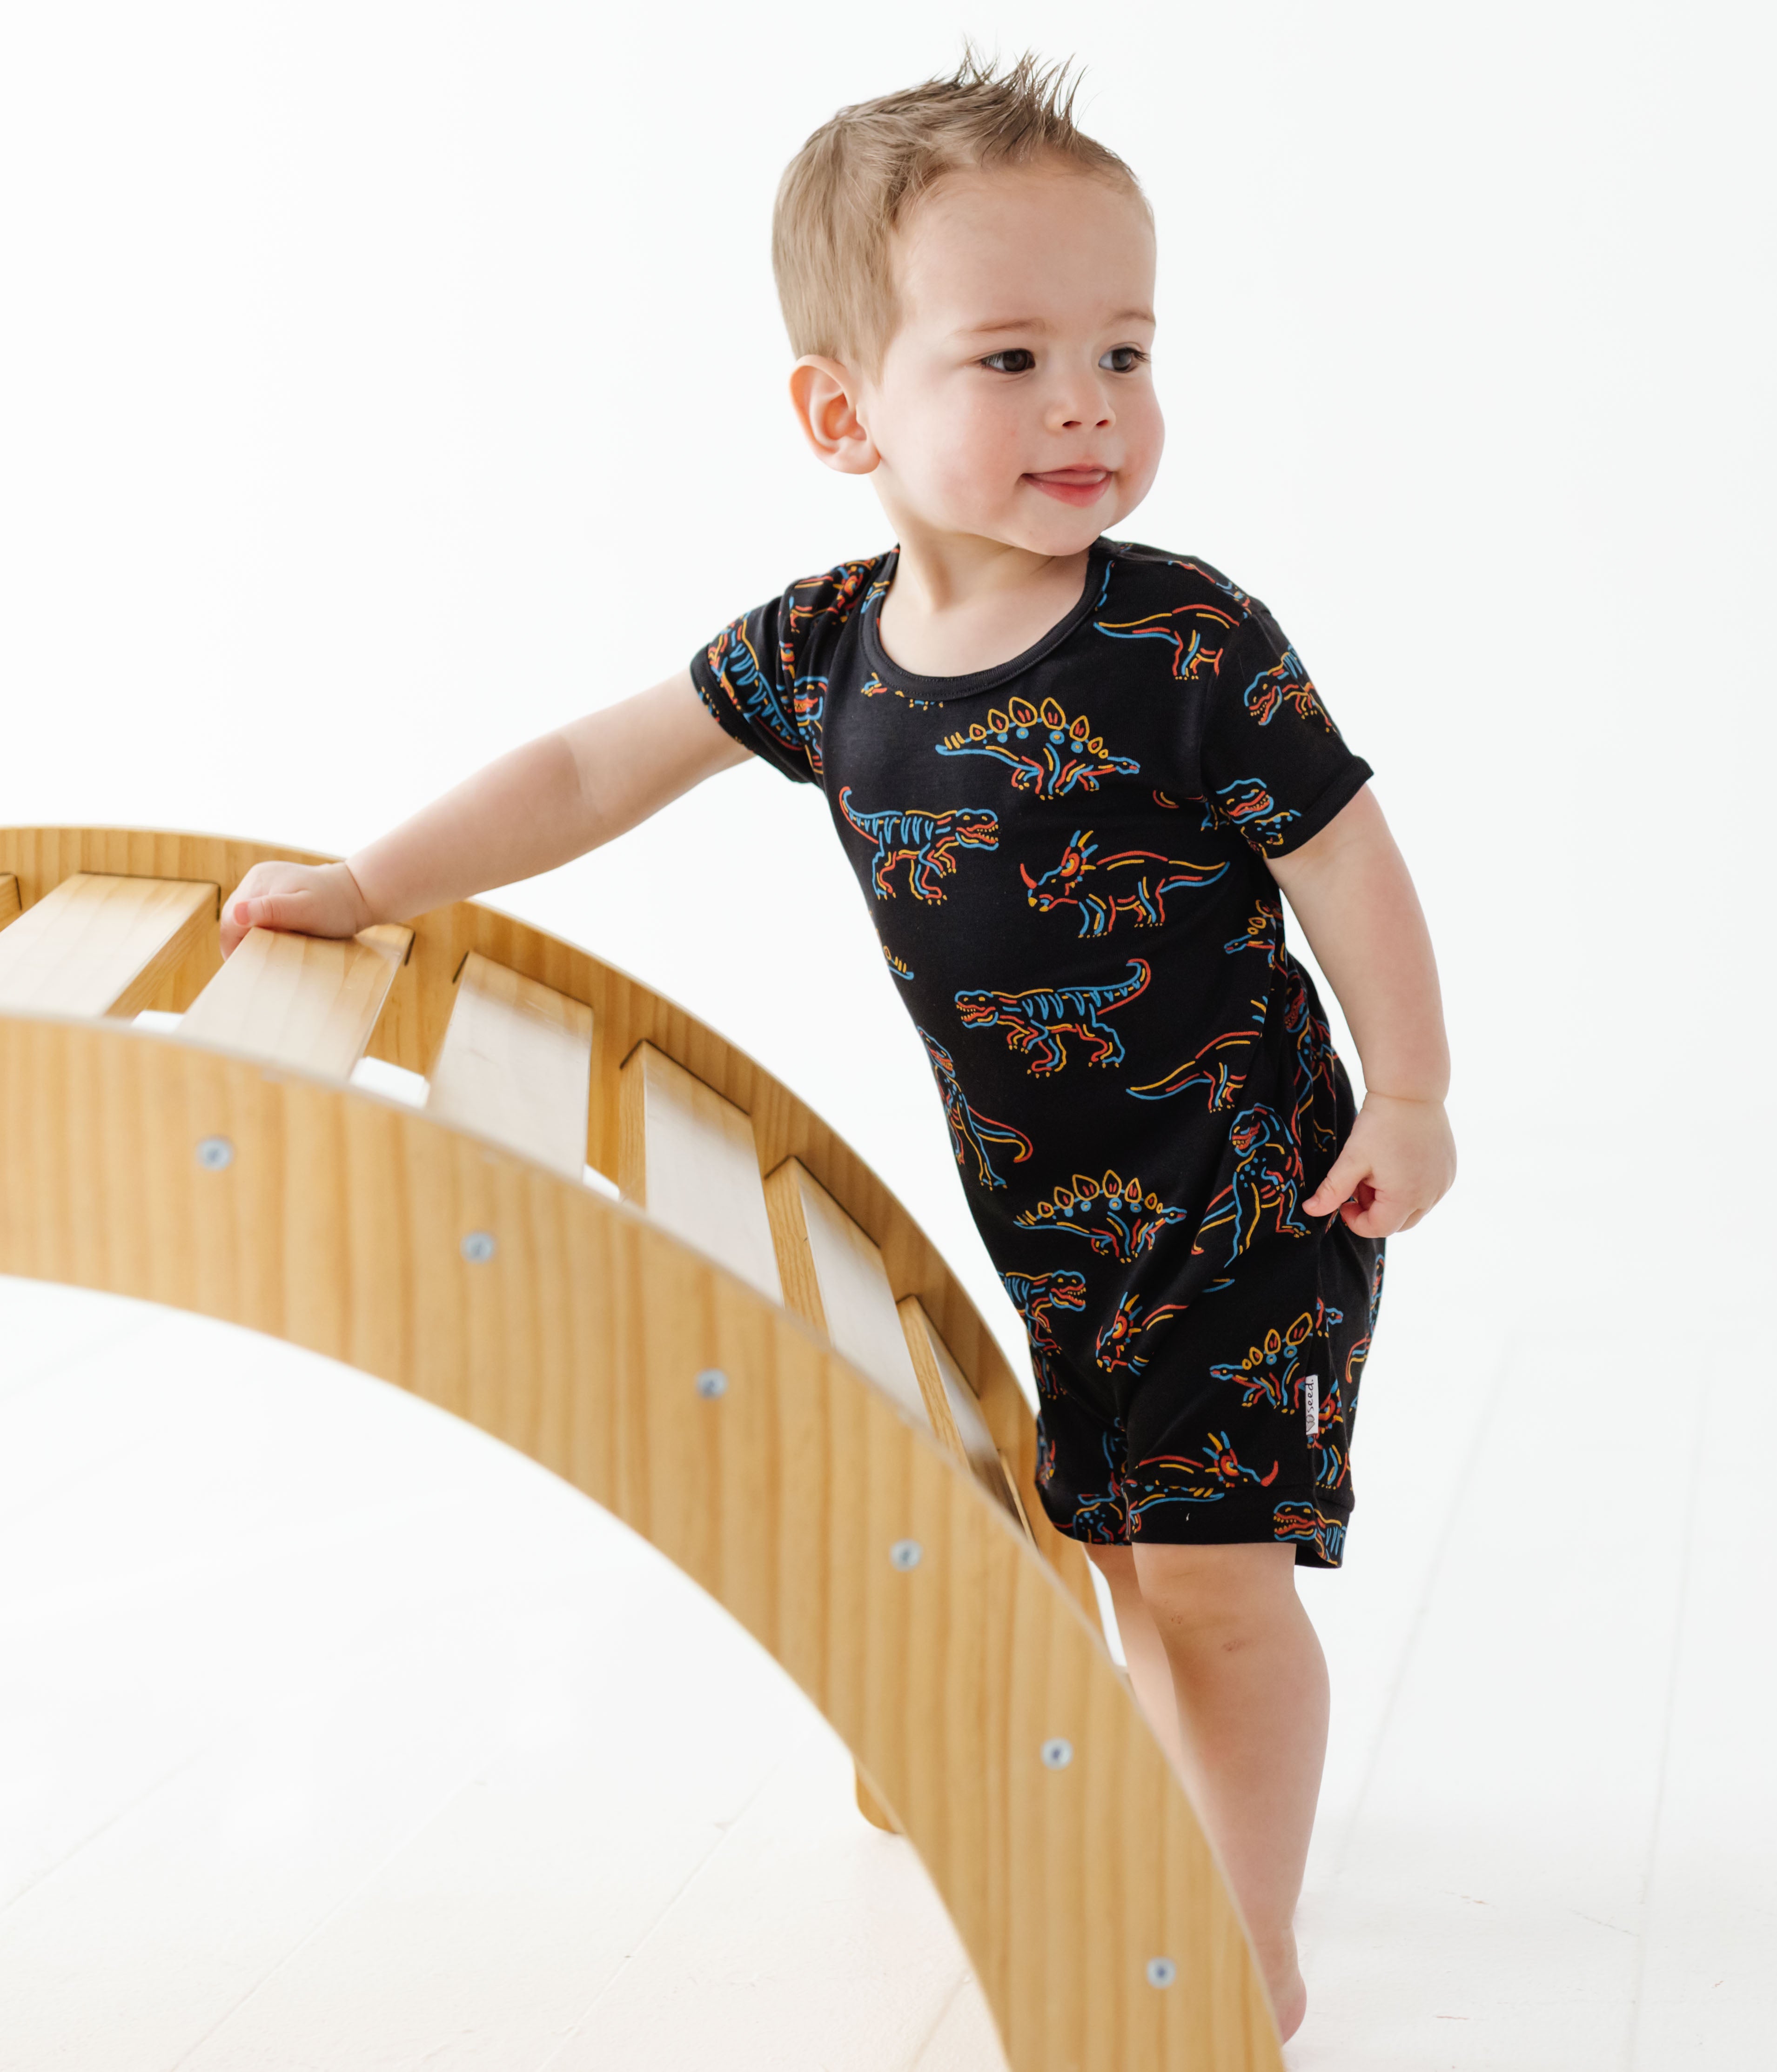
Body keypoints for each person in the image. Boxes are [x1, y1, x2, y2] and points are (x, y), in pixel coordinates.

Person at [220, 50, 1455, 2044]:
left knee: (1220, 1586)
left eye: (1127, 349)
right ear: (840, 410)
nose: (1088, 403)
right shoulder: (819, 651)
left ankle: (1239, 1946)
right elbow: (584, 763)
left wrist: (1411, 1084)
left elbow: (1345, 854)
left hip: (1256, 1192)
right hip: (1051, 1217)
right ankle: (1193, 1834)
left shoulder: (1187, 645)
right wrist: (374, 882)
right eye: (1012, 356)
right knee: (1123, 1557)